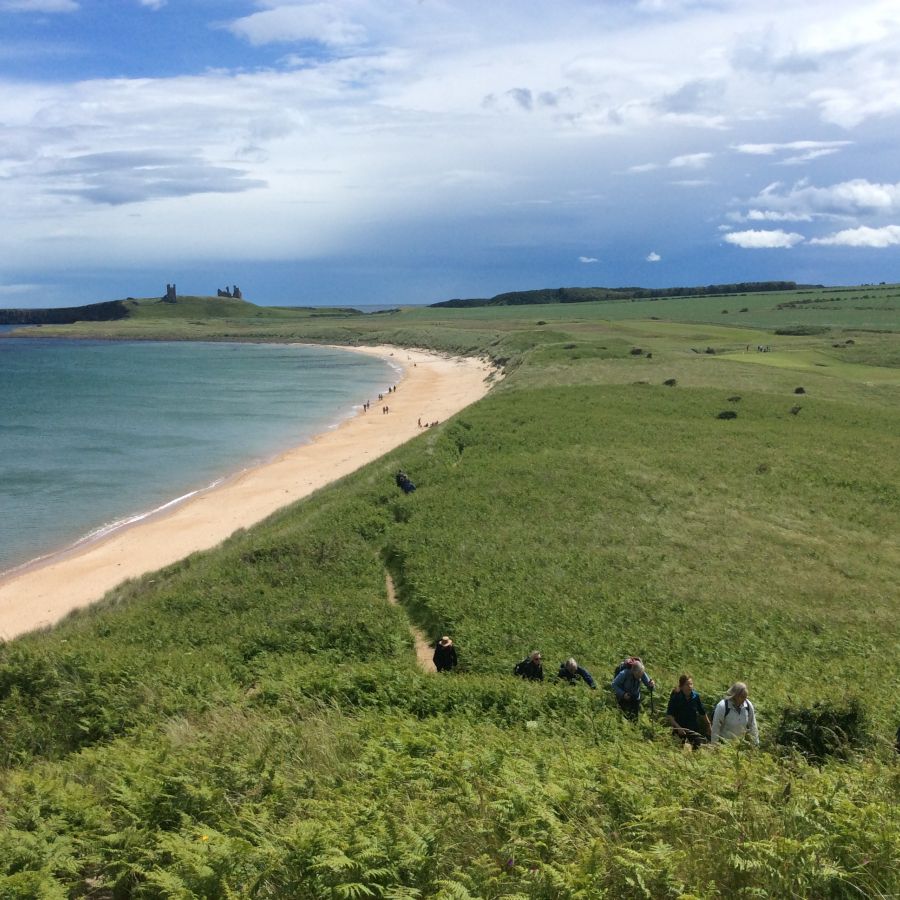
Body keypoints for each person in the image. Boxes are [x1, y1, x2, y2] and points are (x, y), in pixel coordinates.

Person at [666, 674, 711, 748]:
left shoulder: (695, 696)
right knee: (676, 749)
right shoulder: (676, 696)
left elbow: (702, 712)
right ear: (682, 686)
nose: (690, 686)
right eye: (687, 684)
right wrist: (678, 728)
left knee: (697, 749)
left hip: (693, 728)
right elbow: (669, 715)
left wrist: (708, 725)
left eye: (691, 684)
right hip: (679, 727)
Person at [710, 682, 759, 746]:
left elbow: (753, 725)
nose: (744, 700)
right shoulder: (722, 706)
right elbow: (716, 727)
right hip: (724, 744)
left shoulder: (748, 705)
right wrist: (714, 745)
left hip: (740, 744)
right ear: (735, 695)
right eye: (742, 697)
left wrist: (755, 743)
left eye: (745, 697)